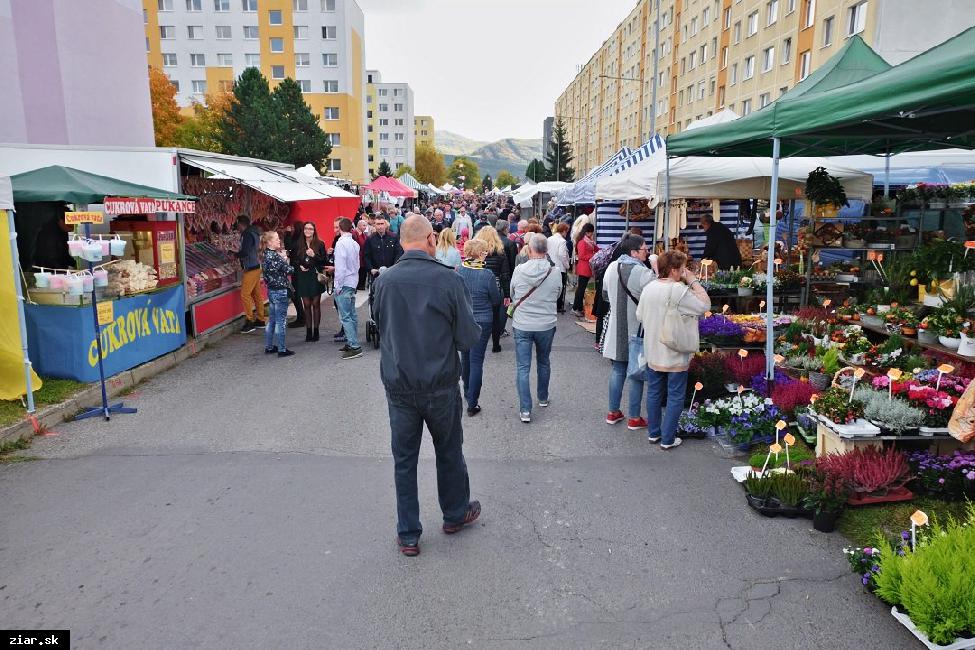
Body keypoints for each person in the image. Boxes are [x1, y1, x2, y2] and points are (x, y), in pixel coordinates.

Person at [372, 215, 483, 557]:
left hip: (400, 385)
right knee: (449, 451)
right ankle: (453, 514)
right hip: (440, 384)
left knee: (404, 460)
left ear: (403, 241)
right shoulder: (448, 281)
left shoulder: (385, 282)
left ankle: (408, 534)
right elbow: (467, 337)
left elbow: (380, 323)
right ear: (432, 240)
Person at [635, 250, 711, 450]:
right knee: (675, 394)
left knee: (653, 392)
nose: (684, 271)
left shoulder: (649, 287)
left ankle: (654, 433)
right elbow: (704, 305)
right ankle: (668, 439)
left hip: (653, 349)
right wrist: (693, 281)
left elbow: (640, 315)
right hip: (674, 351)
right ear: (675, 270)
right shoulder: (677, 289)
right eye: (683, 268)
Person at [602, 234, 655, 429]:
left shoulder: (611, 267)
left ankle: (613, 412)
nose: (647, 252)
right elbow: (655, 297)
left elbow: (605, 295)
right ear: (634, 252)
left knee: (617, 370)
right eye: (644, 249)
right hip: (638, 329)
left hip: (616, 329)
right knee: (636, 373)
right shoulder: (643, 273)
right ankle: (634, 417)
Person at [509, 235, 562, 423]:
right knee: (544, 361)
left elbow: (512, 293)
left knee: (523, 367)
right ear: (546, 251)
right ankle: (543, 397)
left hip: (522, 323)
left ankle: (525, 409)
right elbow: (558, 294)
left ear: (529, 250)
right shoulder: (554, 272)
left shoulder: (519, 270)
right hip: (546, 323)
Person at [457, 239, 501, 416]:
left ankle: (467, 392)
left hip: (464, 320)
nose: (486, 254)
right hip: (482, 320)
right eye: (484, 251)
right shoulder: (487, 275)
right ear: (480, 253)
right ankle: (472, 403)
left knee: (465, 358)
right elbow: (496, 300)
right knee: (476, 362)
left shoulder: (459, 271)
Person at [475, 226, 511, 353]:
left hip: (478, 283)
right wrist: (507, 294)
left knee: (477, 312)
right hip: (495, 286)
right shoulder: (500, 253)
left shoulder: (476, 252)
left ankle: (476, 341)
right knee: (495, 317)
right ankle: (496, 345)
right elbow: (505, 275)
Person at [290, 221, 327, 342]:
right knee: (306, 304)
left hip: (315, 275)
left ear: (314, 231)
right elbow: (293, 260)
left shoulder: (320, 244)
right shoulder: (297, 244)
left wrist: (314, 255)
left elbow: (324, 261)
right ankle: (308, 331)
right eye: (306, 228)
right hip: (303, 276)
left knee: (315, 304)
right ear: (303, 230)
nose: (308, 231)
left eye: (311, 229)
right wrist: (299, 266)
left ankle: (316, 331)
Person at [259, 231, 294, 357]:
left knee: (272, 320)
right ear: (269, 242)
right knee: (281, 321)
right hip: (280, 290)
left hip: (271, 290)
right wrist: (286, 259)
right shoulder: (275, 256)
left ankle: (269, 346)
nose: (279, 240)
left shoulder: (265, 255)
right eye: (277, 239)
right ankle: (282, 349)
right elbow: (289, 270)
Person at [333, 218, 363, 360]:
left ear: (340, 228)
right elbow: (356, 265)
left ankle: (354, 345)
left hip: (344, 282)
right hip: (351, 281)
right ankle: (352, 343)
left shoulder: (341, 244)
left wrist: (337, 286)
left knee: (345, 316)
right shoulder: (354, 243)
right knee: (351, 315)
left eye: (335, 227)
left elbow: (340, 268)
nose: (334, 230)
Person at [235, 215, 266, 333]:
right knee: (256, 294)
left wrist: (235, 255)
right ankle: (261, 319)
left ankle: (249, 320)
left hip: (251, 267)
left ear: (241, 224)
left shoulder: (247, 234)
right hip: (256, 266)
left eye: (237, 225)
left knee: (245, 294)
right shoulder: (254, 232)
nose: (237, 227)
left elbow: (245, 251)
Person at [572, 223, 599, 317]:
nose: (592, 234)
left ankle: (578, 307)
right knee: (581, 289)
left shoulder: (589, 241)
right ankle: (576, 308)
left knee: (581, 289)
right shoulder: (582, 242)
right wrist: (594, 255)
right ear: (587, 232)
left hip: (587, 268)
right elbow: (582, 256)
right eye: (591, 233)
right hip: (584, 268)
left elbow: (596, 248)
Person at [547, 222, 571, 314]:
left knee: (550, 286)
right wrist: (567, 265)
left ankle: (551, 304)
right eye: (566, 231)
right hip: (560, 267)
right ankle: (558, 305)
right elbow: (562, 255)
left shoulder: (549, 238)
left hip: (550, 266)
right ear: (564, 231)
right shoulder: (562, 241)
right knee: (560, 287)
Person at [353, 219, 370, 290]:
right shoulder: (354, 233)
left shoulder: (364, 235)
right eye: (364, 225)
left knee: (363, 271)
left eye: (366, 225)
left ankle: (361, 285)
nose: (365, 227)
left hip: (363, 256)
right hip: (357, 257)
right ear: (359, 225)